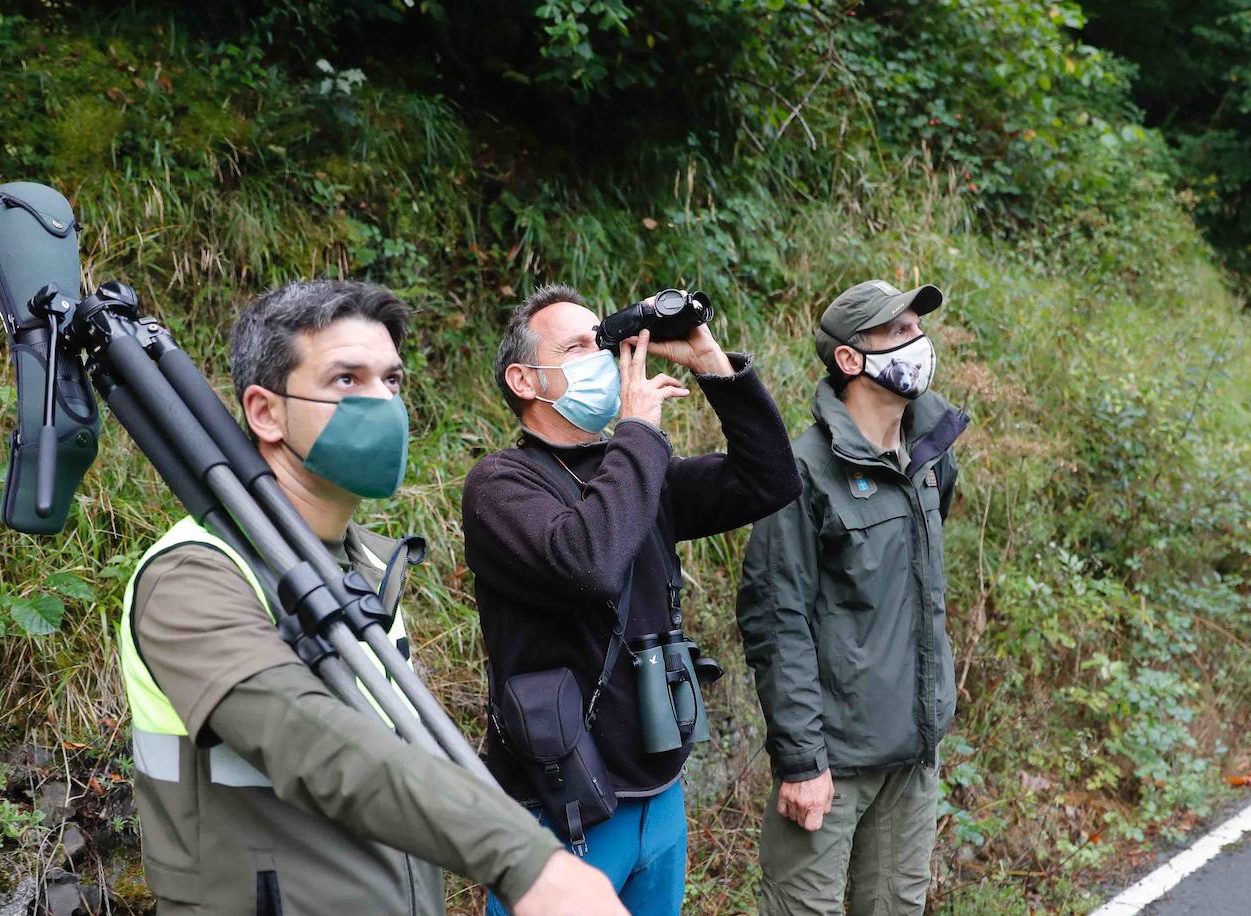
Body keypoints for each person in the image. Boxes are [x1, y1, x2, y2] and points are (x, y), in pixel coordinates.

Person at [117, 279, 627, 915]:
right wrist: (524, 858)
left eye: (391, 379)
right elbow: (308, 739)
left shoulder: (365, 565)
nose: (383, 403)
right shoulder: (194, 574)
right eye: (346, 380)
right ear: (265, 411)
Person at [463, 284, 799, 916]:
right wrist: (638, 431)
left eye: (603, 338)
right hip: (560, 805)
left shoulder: (638, 476)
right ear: (526, 379)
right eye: (578, 346)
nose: (604, 355)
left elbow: (770, 478)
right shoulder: (500, 485)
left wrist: (710, 363)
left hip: (659, 791)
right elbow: (588, 561)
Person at [735, 280, 969, 916]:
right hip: (831, 765)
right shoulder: (804, 471)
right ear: (848, 359)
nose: (916, 343)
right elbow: (776, 621)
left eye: (916, 328)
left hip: (912, 755)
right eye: (896, 332)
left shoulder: (929, 455)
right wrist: (803, 759)